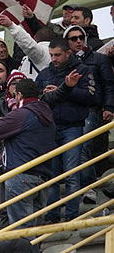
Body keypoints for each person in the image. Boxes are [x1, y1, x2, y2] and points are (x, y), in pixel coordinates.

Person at [0, 79, 57, 253]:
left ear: (20, 95)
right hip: (43, 178)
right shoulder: (48, 117)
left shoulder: (22, 114)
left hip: (20, 177)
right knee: (34, 232)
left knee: (22, 233)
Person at [36, 37, 97, 223]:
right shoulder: (44, 74)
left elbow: (92, 97)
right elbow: (37, 101)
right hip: (51, 128)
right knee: (52, 176)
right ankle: (53, 216)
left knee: (71, 174)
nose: (54, 59)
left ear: (68, 53)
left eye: (58, 55)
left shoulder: (83, 70)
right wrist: (50, 94)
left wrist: (66, 89)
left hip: (73, 127)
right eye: (51, 55)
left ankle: (71, 215)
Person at [63, 25, 114, 203]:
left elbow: (108, 84)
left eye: (81, 37)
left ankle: (89, 187)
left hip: (91, 110)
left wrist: (109, 107)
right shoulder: (63, 63)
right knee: (75, 150)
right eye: (73, 38)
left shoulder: (99, 59)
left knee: (82, 147)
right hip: (69, 112)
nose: (78, 41)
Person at [0, 14, 55, 80]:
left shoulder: (41, 53)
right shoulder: (54, 55)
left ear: (35, 38)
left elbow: (29, 44)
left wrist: (11, 26)